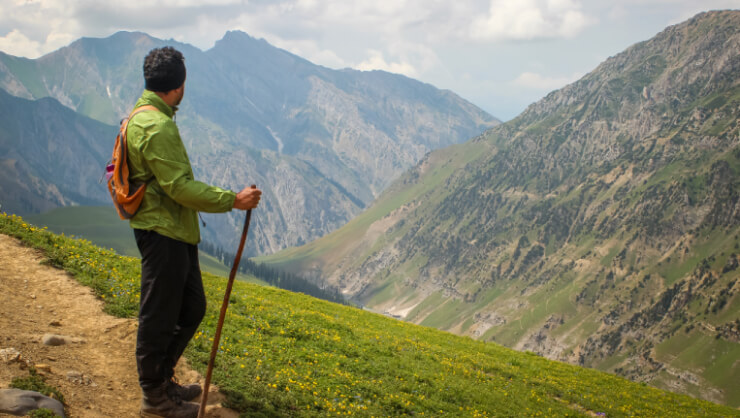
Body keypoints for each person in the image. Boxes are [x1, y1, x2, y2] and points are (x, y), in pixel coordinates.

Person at [127, 46, 262, 418]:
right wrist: (232, 200)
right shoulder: (157, 126)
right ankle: (154, 397)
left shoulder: (150, 115)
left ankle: (162, 379)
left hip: (173, 228)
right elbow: (180, 187)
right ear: (180, 87)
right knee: (158, 313)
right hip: (163, 230)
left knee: (190, 307)